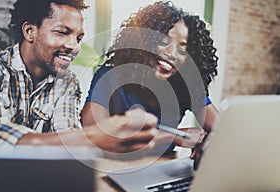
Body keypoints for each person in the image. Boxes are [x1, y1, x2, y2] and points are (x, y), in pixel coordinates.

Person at [0, 0, 158, 154]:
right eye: (63, 32)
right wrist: (93, 137)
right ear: (29, 31)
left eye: (79, 38)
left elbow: (68, 137)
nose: (74, 46)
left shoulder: (67, 82)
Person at [81, 1, 219, 151]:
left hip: (163, 168)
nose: (171, 54)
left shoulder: (186, 87)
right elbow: (92, 131)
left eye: (182, 51)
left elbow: (222, 130)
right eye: (163, 42)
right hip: (114, 167)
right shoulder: (111, 76)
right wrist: (174, 136)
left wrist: (209, 142)